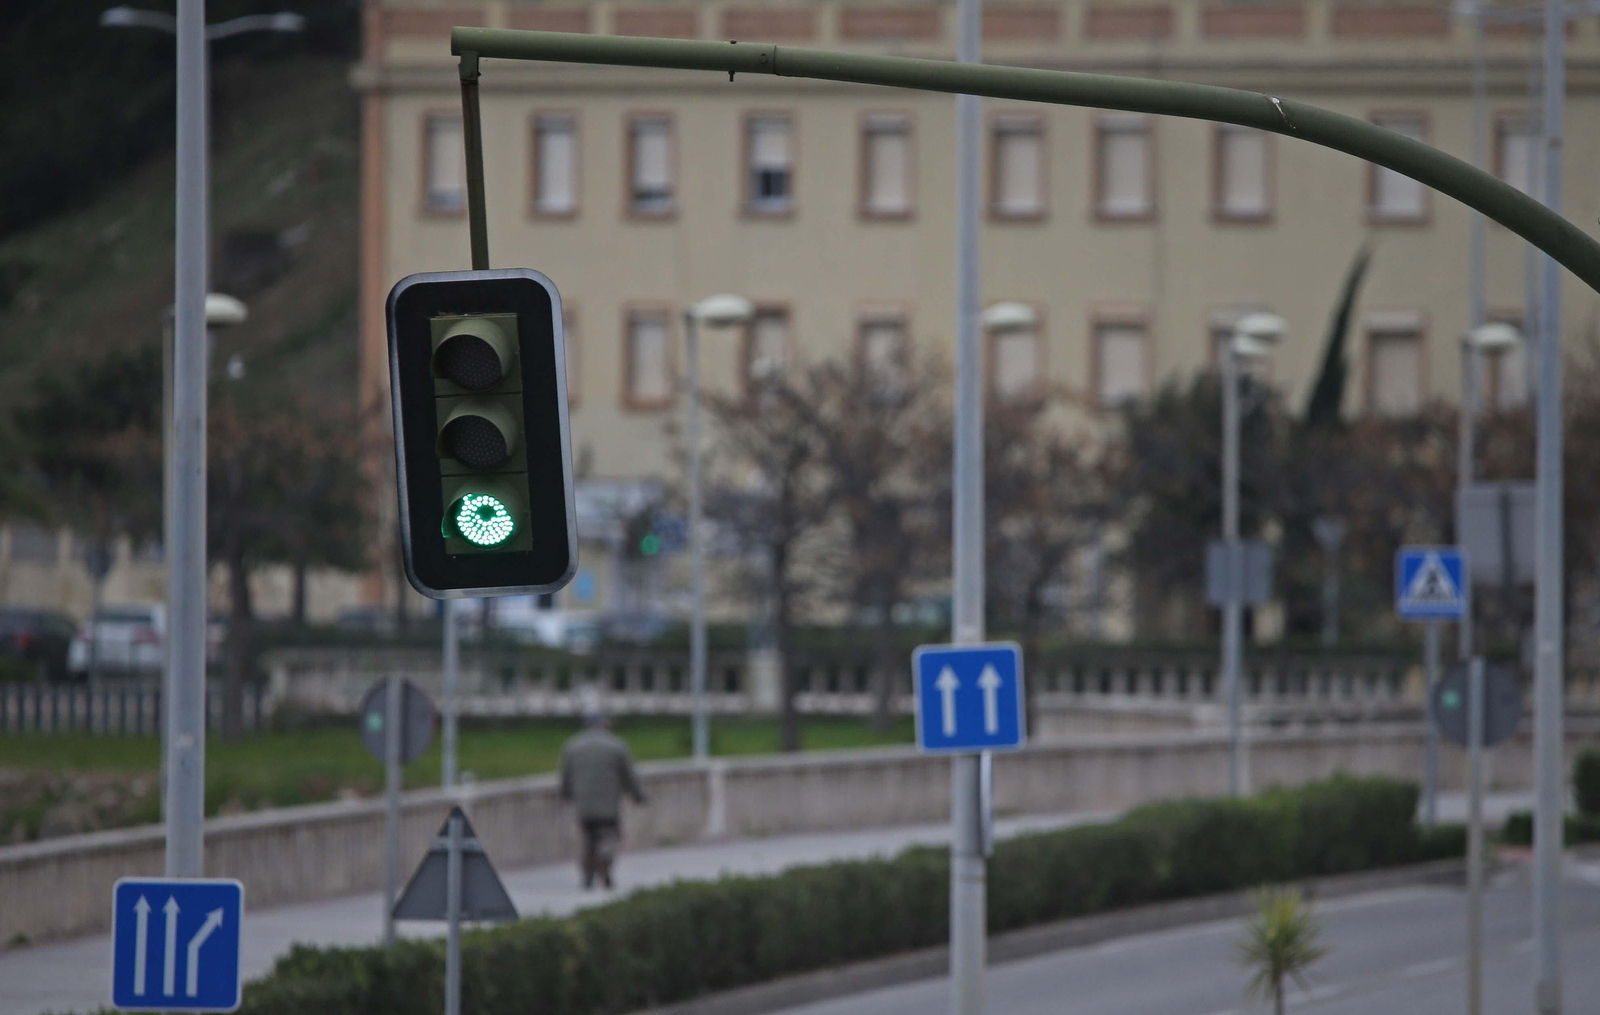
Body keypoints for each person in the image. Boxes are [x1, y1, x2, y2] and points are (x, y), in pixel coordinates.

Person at [558, 713, 646, 889]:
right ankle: (604, 860)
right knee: (609, 836)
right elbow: (629, 777)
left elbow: (566, 777)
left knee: (588, 839)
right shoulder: (616, 746)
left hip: (584, 805)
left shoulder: (572, 747)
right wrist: (638, 796)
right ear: (604, 725)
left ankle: (588, 875)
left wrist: (566, 795)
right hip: (608, 804)